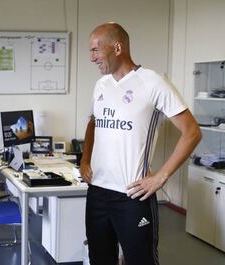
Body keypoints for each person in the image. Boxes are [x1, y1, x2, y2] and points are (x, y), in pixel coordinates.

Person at [80, 23, 201, 265]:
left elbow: (192, 132)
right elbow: (94, 122)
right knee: (99, 259)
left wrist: (161, 177)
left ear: (117, 47)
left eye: (95, 50)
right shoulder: (101, 85)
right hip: (98, 193)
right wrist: (85, 159)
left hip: (132, 195)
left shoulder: (152, 82)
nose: (92, 58)